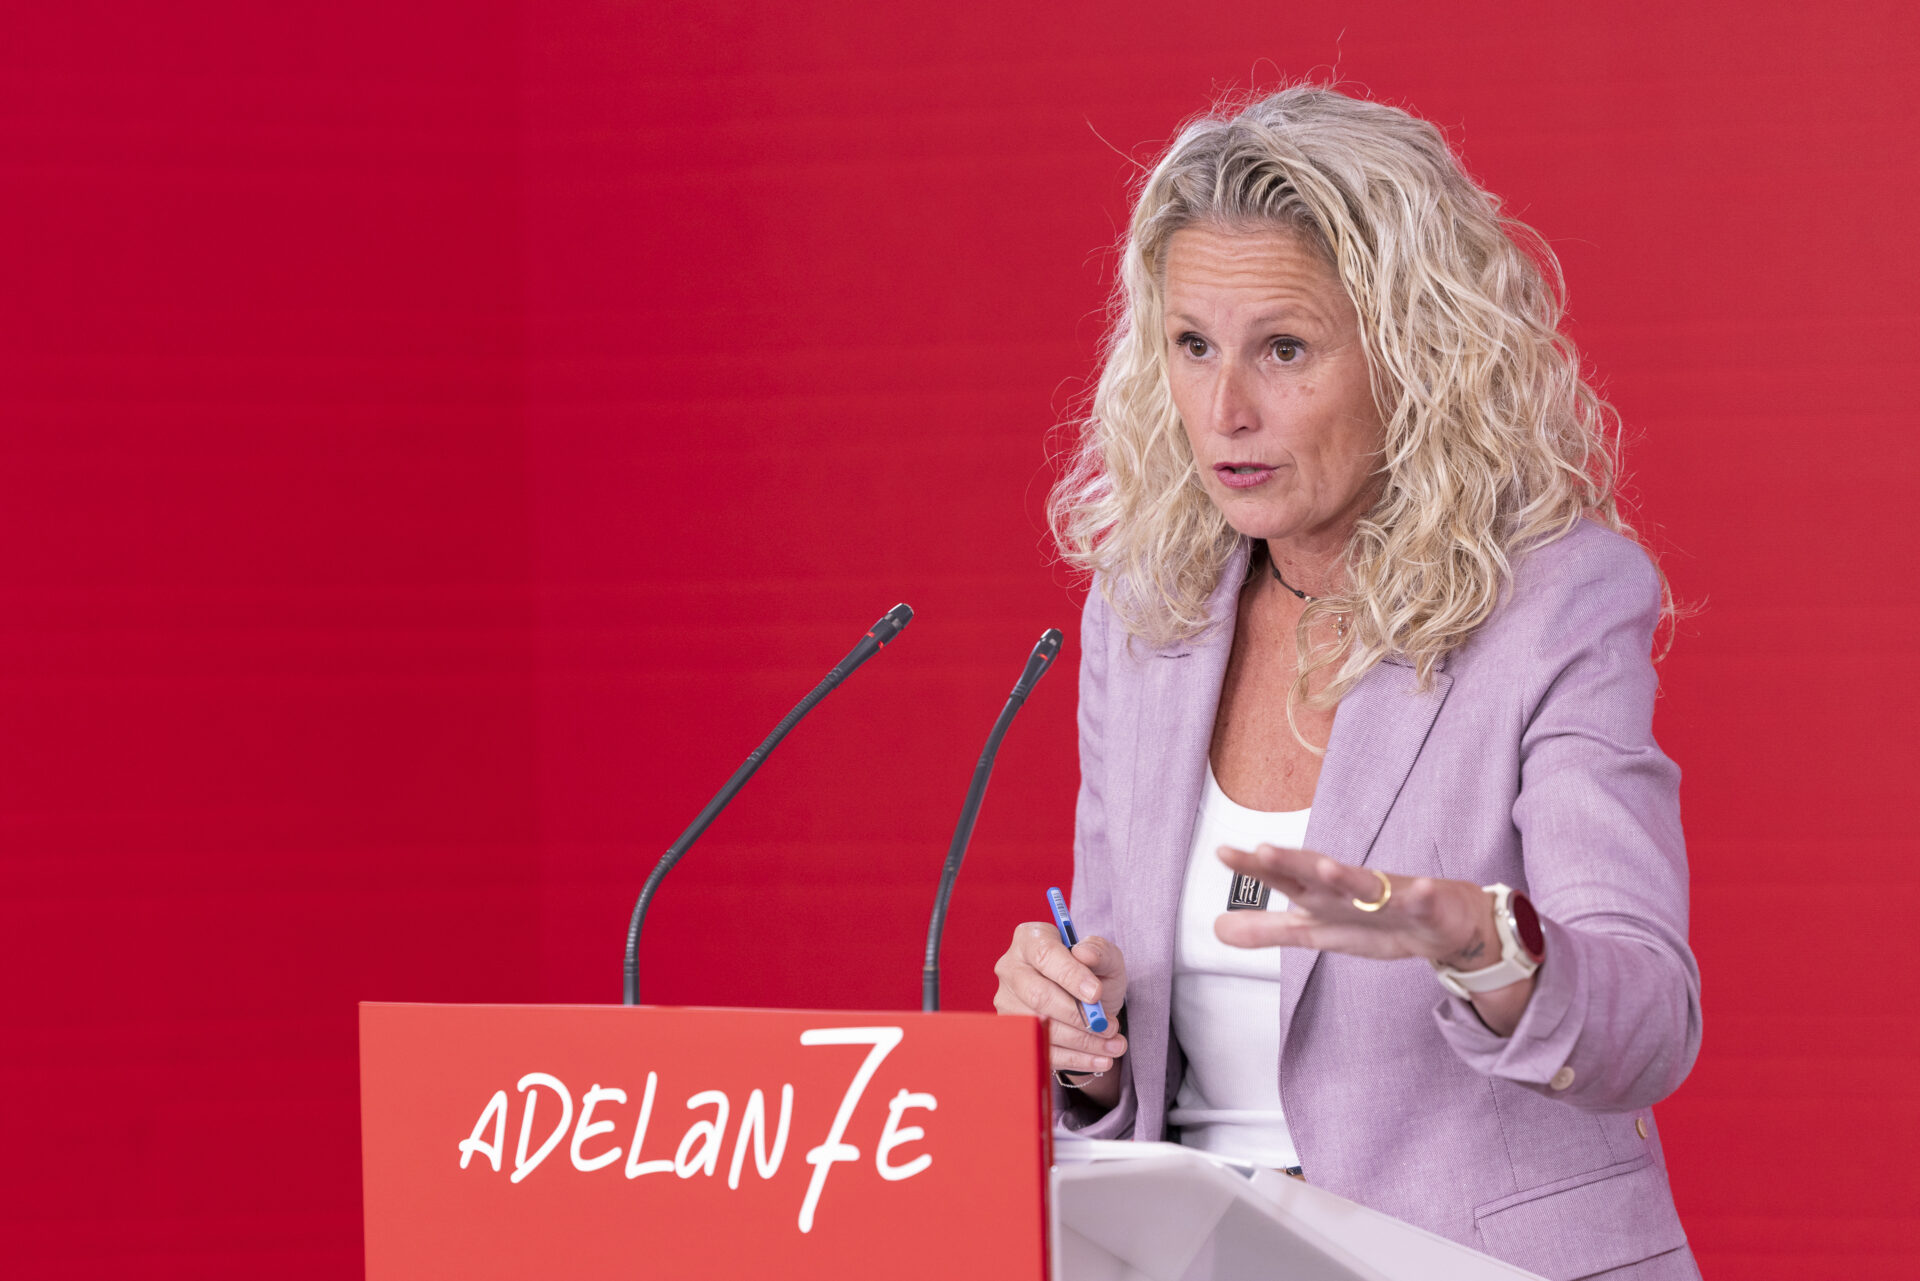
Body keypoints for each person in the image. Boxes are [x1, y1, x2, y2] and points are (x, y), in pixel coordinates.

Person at [992, 85, 1702, 1280]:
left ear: (1414, 356)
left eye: (1285, 350)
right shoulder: (1146, 615)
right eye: (1193, 346)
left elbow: (1648, 1030)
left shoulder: (1557, 604)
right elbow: (1127, 1047)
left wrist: (1483, 947)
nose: (1226, 410)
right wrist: (1080, 1038)